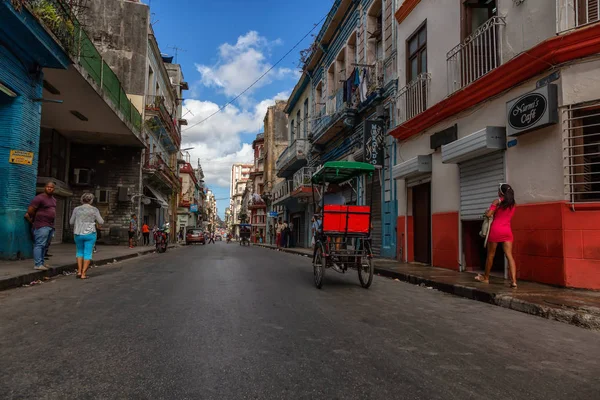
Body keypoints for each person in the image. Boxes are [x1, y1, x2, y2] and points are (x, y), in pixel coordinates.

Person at [475, 183, 518, 288]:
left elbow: (489, 214)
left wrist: (487, 212)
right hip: (507, 231)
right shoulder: (513, 204)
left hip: (496, 230)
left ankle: (486, 278)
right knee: (509, 256)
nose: (497, 192)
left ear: (501, 192)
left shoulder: (497, 201)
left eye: (498, 190)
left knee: (490, 255)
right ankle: (514, 282)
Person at [70, 193, 104, 279]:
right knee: (88, 253)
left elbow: (71, 222)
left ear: (82, 199)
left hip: (78, 233)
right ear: (91, 200)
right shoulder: (94, 210)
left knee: (79, 252)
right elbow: (101, 222)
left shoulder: (76, 209)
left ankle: (79, 271)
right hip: (90, 233)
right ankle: (83, 274)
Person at [24, 181, 56, 271]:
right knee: (40, 244)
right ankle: (37, 264)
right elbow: (30, 210)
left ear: (54, 189)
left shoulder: (53, 199)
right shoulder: (39, 198)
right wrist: (36, 218)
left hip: (50, 226)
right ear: (45, 187)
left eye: (51, 187)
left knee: (45, 245)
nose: (49, 188)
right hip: (41, 225)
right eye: (48, 187)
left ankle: (41, 263)